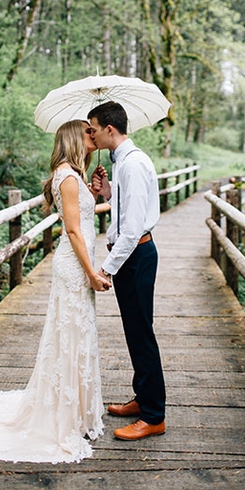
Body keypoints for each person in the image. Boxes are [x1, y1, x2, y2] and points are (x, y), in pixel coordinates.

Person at [0, 120, 110, 464]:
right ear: (76, 139)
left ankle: (75, 410)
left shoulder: (72, 176)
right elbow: (74, 231)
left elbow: (84, 217)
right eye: (89, 133)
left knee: (78, 332)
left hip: (79, 263)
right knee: (72, 332)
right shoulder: (67, 177)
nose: (94, 136)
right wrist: (92, 272)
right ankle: (65, 416)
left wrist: (96, 190)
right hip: (76, 266)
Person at [88, 101, 166, 441]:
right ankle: (142, 398)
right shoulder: (124, 165)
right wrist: (107, 192)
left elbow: (132, 229)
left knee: (141, 333)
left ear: (109, 129)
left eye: (92, 129)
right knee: (135, 331)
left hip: (136, 255)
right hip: (131, 254)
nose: (89, 135)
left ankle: (153, 416)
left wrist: (105, 268)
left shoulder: (132, 165)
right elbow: (126, 210)